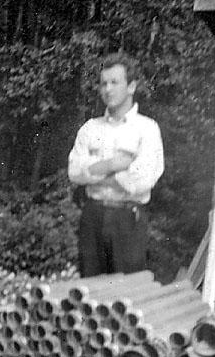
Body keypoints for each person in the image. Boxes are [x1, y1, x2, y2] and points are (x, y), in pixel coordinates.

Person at [68, 53, 164, 276]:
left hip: (127, 219)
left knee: (126, 294)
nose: (107, 89)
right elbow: (74, 172)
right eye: (103, 83)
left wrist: (94, 170)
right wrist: (114, 165)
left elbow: (142, 180)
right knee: (90, 292)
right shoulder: (91, 128)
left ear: (131, 86)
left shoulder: (147, 128)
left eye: (114, 82)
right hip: (92, 216)